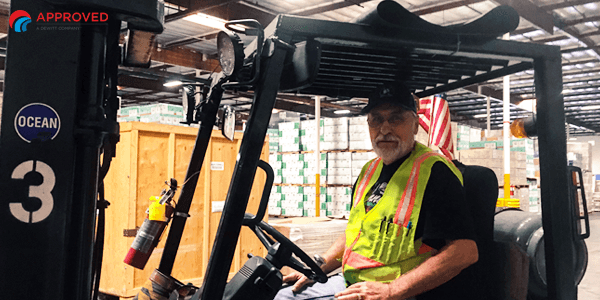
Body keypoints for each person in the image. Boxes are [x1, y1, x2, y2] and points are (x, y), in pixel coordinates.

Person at [274, 83, 479, 300]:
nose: (385, 129)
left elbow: (465, 251)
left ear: (416, 125)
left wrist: (393, 290)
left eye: (396, 118)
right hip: (353, 281)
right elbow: (357, 233)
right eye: (376, 120)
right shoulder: (370, 170)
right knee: (276, 295)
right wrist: (318, 265)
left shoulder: (436, 173)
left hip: (400, 292)